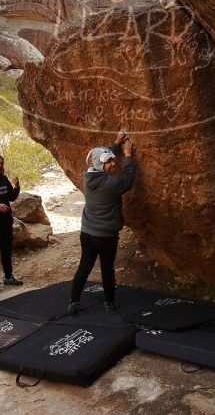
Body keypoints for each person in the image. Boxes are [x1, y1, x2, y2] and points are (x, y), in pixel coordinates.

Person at [68, 131, 136, 314]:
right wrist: (128, 156)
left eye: (112, 160)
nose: (113, 164)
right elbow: (128, 179)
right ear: (100, 164)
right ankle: (109, 302)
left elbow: (100, 155)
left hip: (87, 232)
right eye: (109, 162)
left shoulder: (88, 175)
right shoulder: (111, 183)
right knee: (107, 268)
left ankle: (74, 301)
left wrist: (115, 144)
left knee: (85, 265)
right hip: (105, 235)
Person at [0, 154, 23, 293]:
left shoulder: (3, 179)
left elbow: (11, 197)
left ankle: (8, 277)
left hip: (6, 221)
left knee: (7, 250)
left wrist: (17, 186)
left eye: (1, 163)